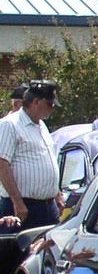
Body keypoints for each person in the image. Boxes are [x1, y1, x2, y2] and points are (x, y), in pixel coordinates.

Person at [0, 80, 64, 234]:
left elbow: (47, 160)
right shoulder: (10, 124)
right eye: (49, 104)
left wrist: (57, 194)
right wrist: (18, 203)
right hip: (23, 207)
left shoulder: (42, 126)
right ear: (35, 102)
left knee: (48, 254)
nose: (52, 108)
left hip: (48, 208)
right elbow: (2, 164)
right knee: (19, 255)